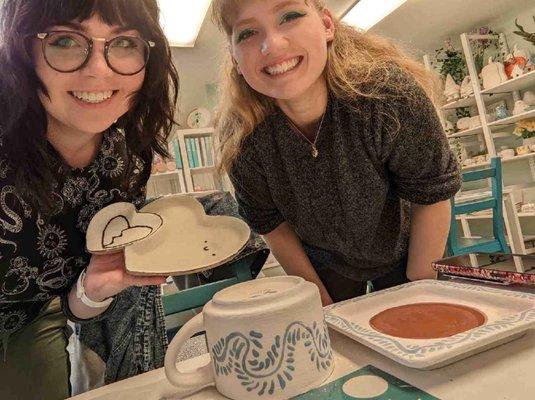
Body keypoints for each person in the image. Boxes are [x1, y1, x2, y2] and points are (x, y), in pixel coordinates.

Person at [211, 0, 461, 306]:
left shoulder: (388, 96)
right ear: (235, 59)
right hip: (321, 258)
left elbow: (432, 190)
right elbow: (271, 225)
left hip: (408, 242)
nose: (272, 44)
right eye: (247, 33)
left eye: (289, 16)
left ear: (327, 24)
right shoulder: (242, 139)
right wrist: (322, 308)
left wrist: (420, 290)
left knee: (421, 327)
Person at [0, 0, 178, 398]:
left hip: (34, 320)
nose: (98, 69)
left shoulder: (126, 160)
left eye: (125, 42)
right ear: (22, 52)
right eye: (65, 40)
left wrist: (90, 291)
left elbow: (67, 303)